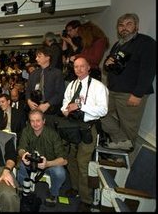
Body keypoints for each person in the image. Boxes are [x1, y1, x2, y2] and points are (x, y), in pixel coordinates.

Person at [60, 56, 108, 211]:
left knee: (82, 162)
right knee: (71, 159)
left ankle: (86, 199)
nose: (78, 69)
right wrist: (65, 111)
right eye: (76, 67)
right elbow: (64, 104)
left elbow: (103, 110)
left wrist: (81, 105)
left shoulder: (98, 86)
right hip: (72, 127)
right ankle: (75, 187)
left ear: (88, 68)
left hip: (88, 127)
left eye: (82, 66)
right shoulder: (72, 85)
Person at [101, 13, 156, 151]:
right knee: (99, 113)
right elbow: (107, 68)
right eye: (121, 25)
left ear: (136, 26)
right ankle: (121, 141)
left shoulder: (146, 43)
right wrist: (107, 64)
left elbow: (149, 70)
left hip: (131, 93)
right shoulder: (118, 45)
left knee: (129, 127)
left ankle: (128, 165)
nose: (124, 28)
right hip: (113, 91)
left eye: (128, 24)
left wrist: (137, 94)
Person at [17, 109, 67, 207]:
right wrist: (24, 155)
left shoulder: (52, 134)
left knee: (60, 172)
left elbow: (64, 160)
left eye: (38, 120)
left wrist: (48, 164)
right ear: (29, 122)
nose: (35, 124)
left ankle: (53, 194)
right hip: (31, 162)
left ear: (44, 121)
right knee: (21, 164)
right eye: (32, 121)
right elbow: (21, 149)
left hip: (49, 165)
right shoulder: (26, 131)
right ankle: (24, 187)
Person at [26, 47, 65, 117]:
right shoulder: (33, 74)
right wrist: (29, 101)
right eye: (36, 56)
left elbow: (60, 93)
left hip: (52, 110)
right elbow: (28, 90)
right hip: (35, 109)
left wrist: (47, 104)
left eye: (39, 56)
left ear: (47, 57)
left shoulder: (57, 73)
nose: (36, 59)